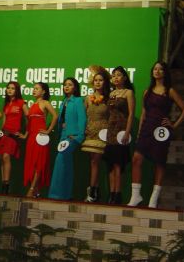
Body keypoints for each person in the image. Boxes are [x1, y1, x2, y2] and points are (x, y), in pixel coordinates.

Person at [128, 61, 184, 208]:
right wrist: (139, 133)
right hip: (147, 128)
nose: (157, 71)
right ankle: (136, 196)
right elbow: (143, 113)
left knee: (159, 162)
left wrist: (173, 125)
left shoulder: (170, 91)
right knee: (136, 159)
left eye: (160, 69)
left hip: (161, 131)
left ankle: (153, 199)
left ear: (165, 72)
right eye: (155, 69)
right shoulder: (147, 92)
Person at [48, 77, 86, 200]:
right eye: (65, 85)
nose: (67, 87)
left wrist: (79, 136)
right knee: (66, 164)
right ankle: (66, 195)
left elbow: (82, 119)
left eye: (70, 84)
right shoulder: (64, 101)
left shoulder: (78, 101)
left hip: (72, 136)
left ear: (75, 87)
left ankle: (55, 194)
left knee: (61, 159)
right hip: (63, 136)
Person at [103, 66, 135, 204]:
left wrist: (127, 132)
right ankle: (111, 194)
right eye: (114, 75)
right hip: (110, 131)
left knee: (118, 164)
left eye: (119, 75)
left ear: (125, 78)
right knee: (110, 164)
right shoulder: (111, 93)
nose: (116, 77)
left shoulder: (128, 93)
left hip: (121, 131)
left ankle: (118, 194)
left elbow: (131, 114)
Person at [0, 81, 28, 194]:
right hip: (4, 134)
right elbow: (4, 121)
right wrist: (0, 133)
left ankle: (6, 185)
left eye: (13, 88)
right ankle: (4, 184)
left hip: (13, 135)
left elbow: (30, 118)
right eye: (8, 88)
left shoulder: (21, 103)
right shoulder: (6, 104)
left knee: (6, 156)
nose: (10, 90)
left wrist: (25, 134)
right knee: (2, 157)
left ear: (17, 90)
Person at [23, 82, 58, 197]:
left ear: (43, 92)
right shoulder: (33, 105)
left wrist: (48, 130)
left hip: (40, 138)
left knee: (39, 163)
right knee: (32, 164)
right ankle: (36, 191)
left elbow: (55, 116)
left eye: (37, 88)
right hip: (31, 138)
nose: (34, 90)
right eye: (34, 88)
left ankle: (32, 189)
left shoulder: (45, 103)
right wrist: (25, 135)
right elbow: (29, 123)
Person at [82, 68, 111, 202]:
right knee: (93, 162)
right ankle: (95, 192)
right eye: (96, 80)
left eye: (101, 80)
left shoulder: (109, 98)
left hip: (102, 133)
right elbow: (83, 116)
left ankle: (92, 192)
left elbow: (112, 116)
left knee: (95, 162)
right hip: (90, 132)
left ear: (105, 82)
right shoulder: (88, 98)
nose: (98, 82)